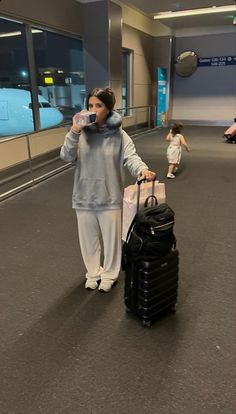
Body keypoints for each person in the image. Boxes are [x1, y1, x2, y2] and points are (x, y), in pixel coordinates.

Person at [60, 87, 156, 292]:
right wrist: (74, 131)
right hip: (83, 195)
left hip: (109, 196)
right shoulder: (80, 133)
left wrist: (143, 170)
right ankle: (93, 272)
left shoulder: (119, 135)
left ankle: (110, 275)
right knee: (88, 240)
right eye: (90, 105)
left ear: (109, 109)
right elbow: (66, 156)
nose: (93, 109)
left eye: (99, 105)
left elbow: (132, 158)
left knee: (111, 241)